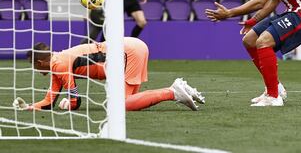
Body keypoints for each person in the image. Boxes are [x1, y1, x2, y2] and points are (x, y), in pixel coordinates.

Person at [13, 37, 205, 111]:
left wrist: (68, 105)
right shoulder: (58, 61)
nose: (36, 71)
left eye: (34, 66)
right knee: (129, 102)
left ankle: (173, 92)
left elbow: (75, 101)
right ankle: (181, 88)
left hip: (127, 51)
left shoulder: (58, 64)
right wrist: (30, 107)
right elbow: (49, 102)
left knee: (121, 105)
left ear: (39, 63)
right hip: (130, 47)